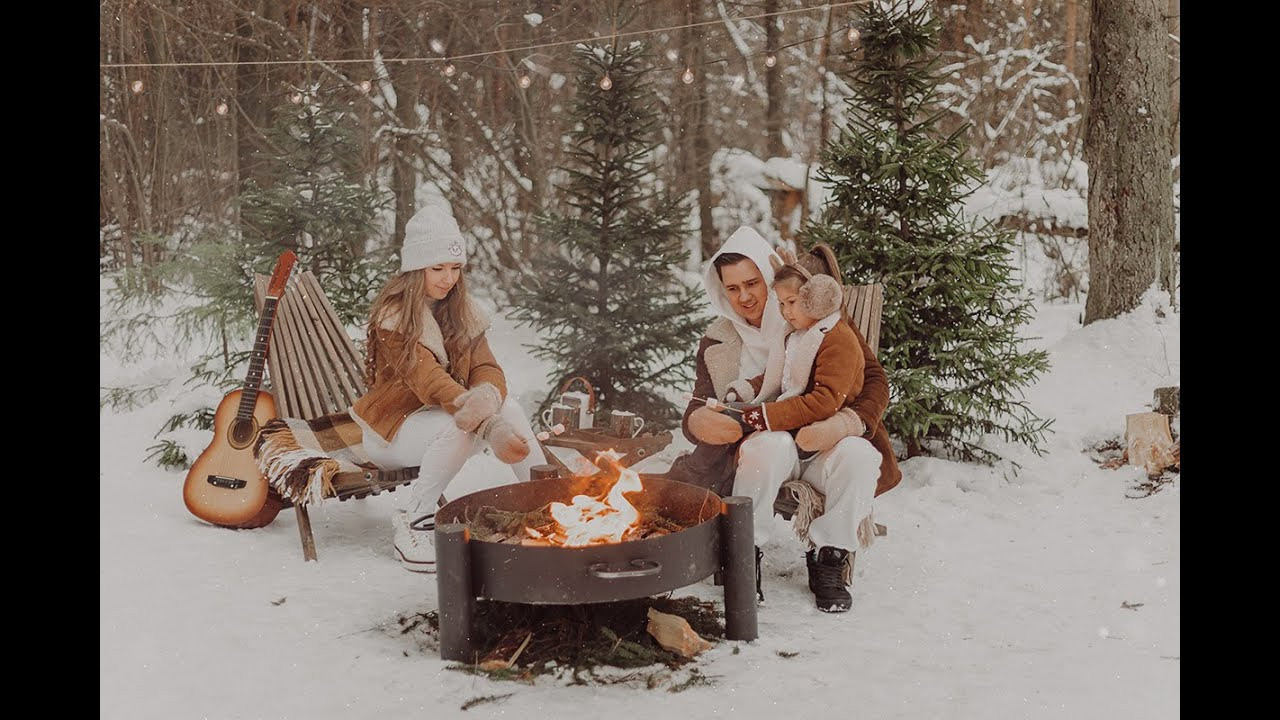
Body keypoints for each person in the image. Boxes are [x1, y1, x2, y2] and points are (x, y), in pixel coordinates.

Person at [667, 230, 901, 612]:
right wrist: (700, 421)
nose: (744, 297)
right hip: (764, 452)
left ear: (769, 276)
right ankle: (746, 554)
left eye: (753, 283)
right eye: (733, 288)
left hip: (823, 442)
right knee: (768, 444)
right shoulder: (718, 340)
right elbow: (698, 404)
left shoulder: (815, 319)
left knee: (858, 455)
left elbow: (874, 378)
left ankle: (830, 558)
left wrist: (849, 424)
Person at [349, 201, 546, 572]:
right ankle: (415, 519)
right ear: (415, 269)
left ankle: (548, 501)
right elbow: (429, 380)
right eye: (436, 268)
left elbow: (487, 366)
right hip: (392, 433)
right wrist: (483, 420)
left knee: (511, 407)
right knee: (456, 424)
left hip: (446, 422)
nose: (447, 278)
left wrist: (487, 398)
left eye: (455, 268)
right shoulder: (392, 318)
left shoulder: (461, 311)